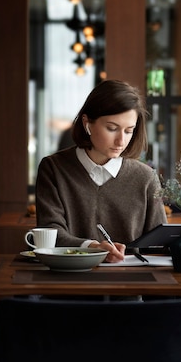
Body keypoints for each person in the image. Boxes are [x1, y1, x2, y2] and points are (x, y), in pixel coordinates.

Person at [35, 79, 167, 263]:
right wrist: (92, 248)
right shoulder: (54, 169)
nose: (121, 140)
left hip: (129, 286)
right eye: (112, 128)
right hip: (68, 283)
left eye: (129, 131)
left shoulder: (145, 177)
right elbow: (50, 233)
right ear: (87, 123)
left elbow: (159, 243)